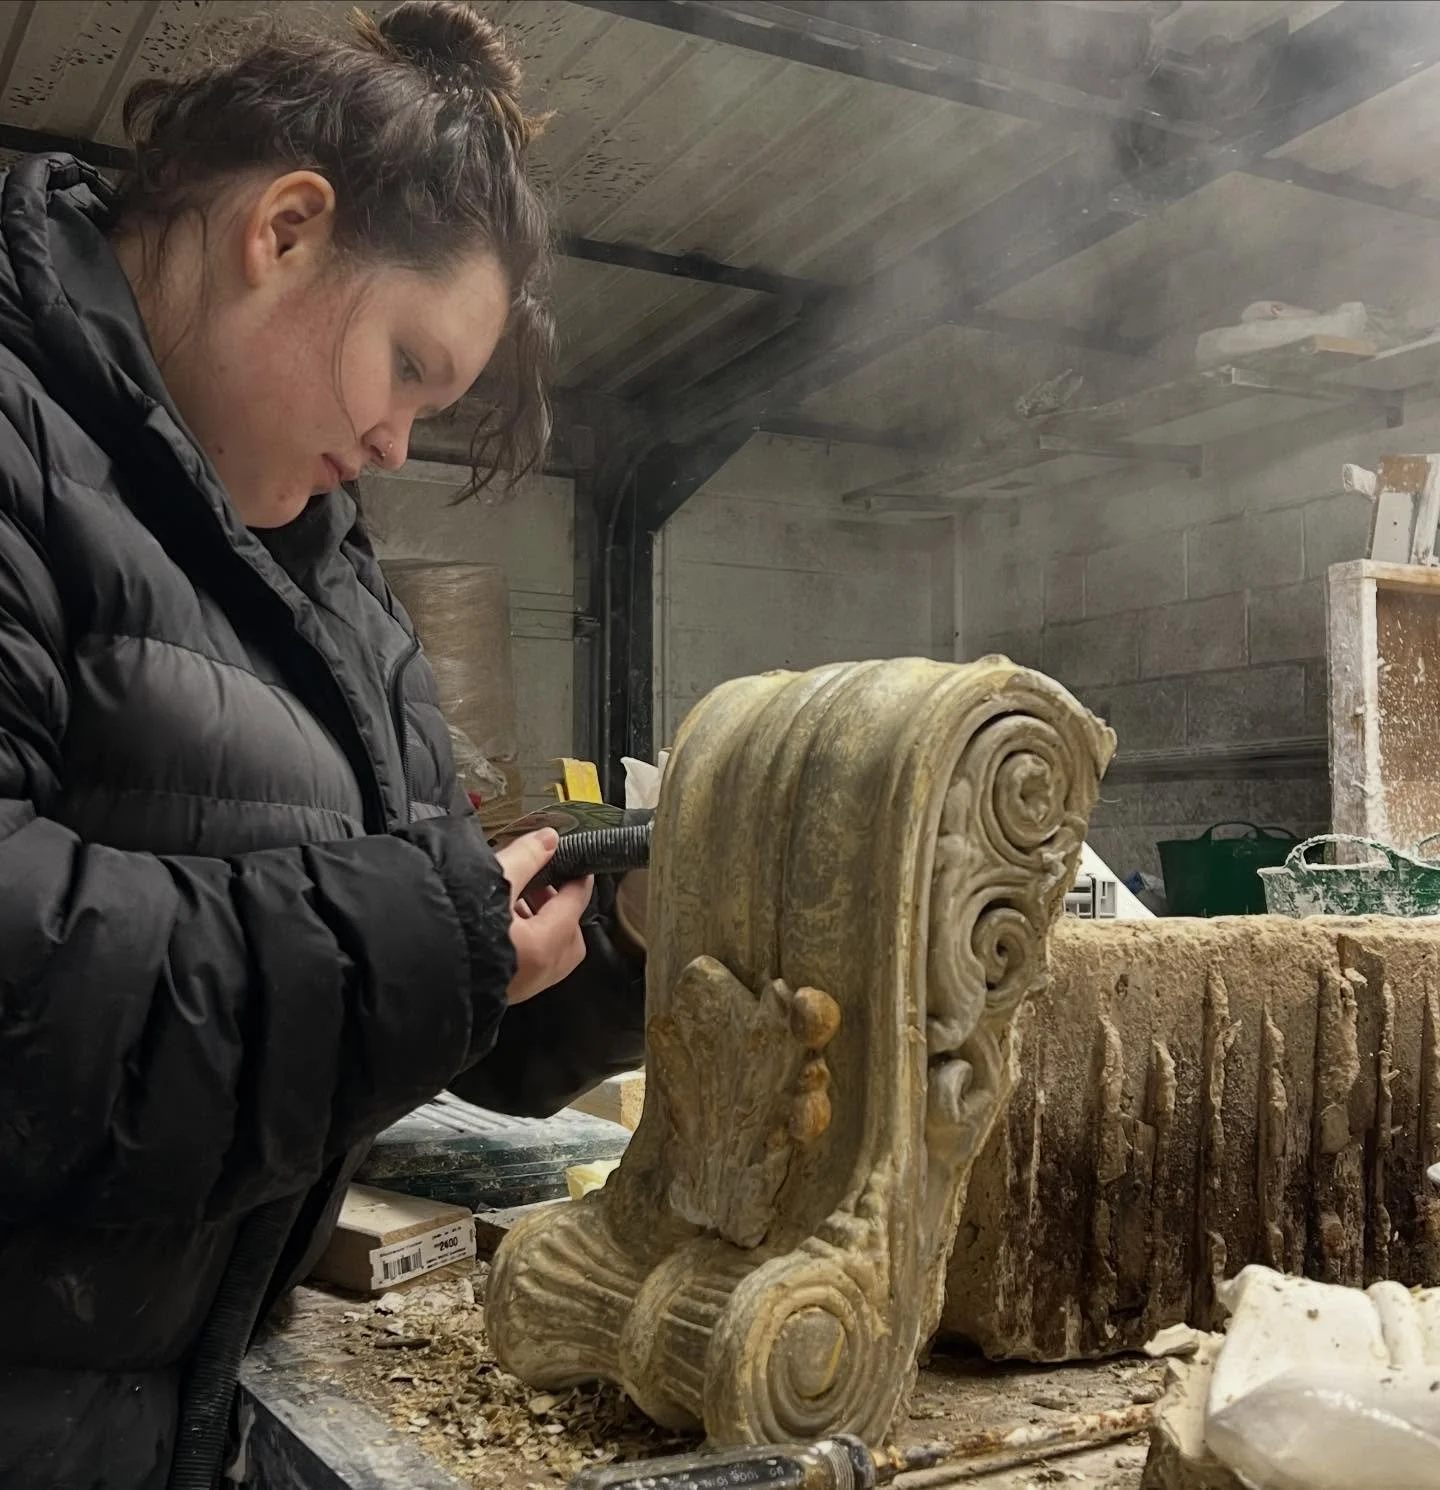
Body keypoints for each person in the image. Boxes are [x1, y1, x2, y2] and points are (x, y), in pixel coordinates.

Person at [0, 4, 645, 1485]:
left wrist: (621, 943)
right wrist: (425, 932)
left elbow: (418, 980)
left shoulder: (325, 571)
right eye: (409, 363)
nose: (400, 442)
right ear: (286, 230)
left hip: (179, 1419)